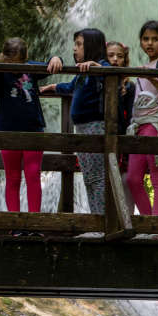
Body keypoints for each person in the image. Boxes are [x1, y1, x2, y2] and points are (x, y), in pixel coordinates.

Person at [0, 37, 64, 216]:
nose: (17, 68)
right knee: (12, 178)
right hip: (7, 129)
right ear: (4, 58)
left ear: (26, 59)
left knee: (33, 176)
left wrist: (56, 58)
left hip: (33, 129)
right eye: (12, 63)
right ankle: (14, 222)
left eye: (20, 63)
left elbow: (51, 64)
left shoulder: (31, 68)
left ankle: (34, 219)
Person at [43, 28, 109, 216]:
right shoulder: (82, 72)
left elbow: (109, 75)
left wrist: (96, 66)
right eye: (75, 44)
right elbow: (71, 87)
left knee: (97, 177)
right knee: (90, 177)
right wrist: (54, 86)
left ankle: (103, 223)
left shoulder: (99, 66)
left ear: (92, 46)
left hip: (95, 127)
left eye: (79, 44)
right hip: (82, 128)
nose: (74, 49)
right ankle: (96, 220)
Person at [126, 20, 158, 217]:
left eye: (155, 39)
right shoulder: (143, 67)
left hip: (156, 123)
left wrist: (151, 77)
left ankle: (156, 226)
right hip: (138, 126)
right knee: (132, 178)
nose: (150, 43)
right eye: (145, 39)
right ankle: (149, 221)